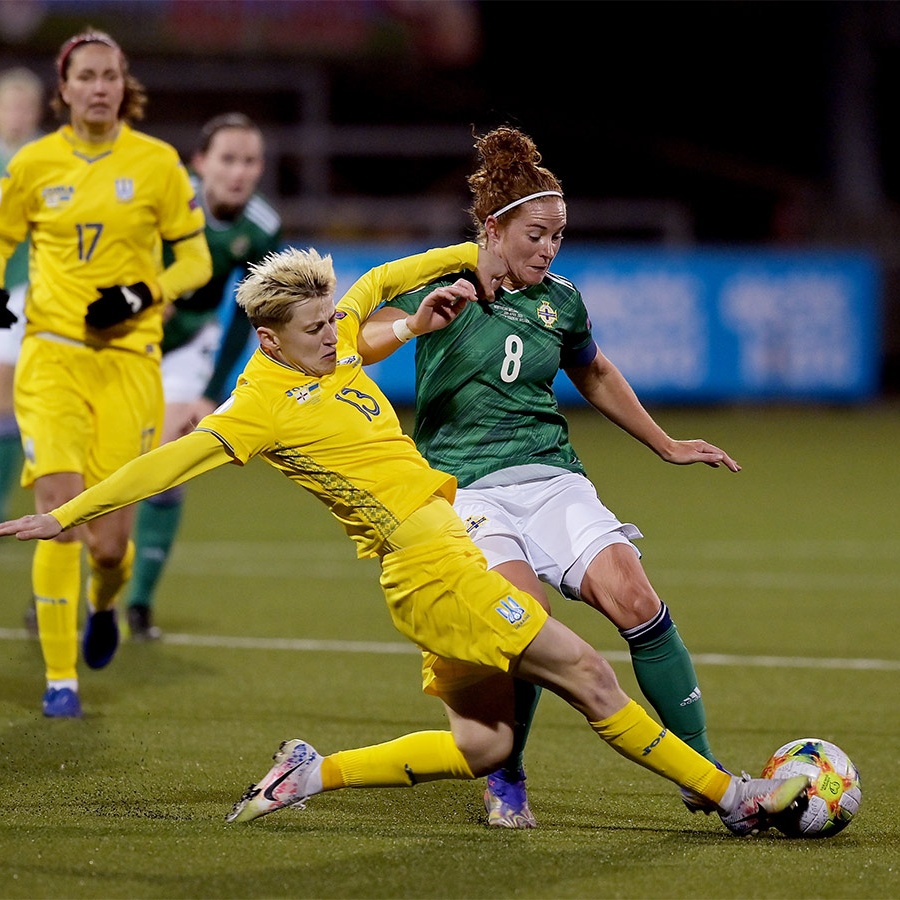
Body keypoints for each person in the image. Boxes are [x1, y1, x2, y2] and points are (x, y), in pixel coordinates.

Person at [0, 243, 810, 837]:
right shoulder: (258, 408)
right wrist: (65, 516)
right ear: (271, 340)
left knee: (483, 745)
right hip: (432, 570)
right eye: (314, 329)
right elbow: (166, 463)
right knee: (591, 676)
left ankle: (309, 774)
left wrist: (470, 257)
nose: (333, 336)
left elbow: (384, 280)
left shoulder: (334, 347)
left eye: (331, 320)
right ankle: (734, 797)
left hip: (438, 562)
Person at [361, 125, 740, 828]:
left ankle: (703, 771)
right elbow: (356, 338)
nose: (549, 249)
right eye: (536, 234)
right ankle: (506, 776)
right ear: (493, 229)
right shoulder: (440, 285)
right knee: (524, 625)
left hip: (551, 479)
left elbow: (593, 371)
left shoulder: (560, 301)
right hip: (465, 489)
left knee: (637, 600)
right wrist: (414, 326)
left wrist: (664, 444)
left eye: (558, 236)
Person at [0, 29, 212, 718]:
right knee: (58, 514)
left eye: (110, 76)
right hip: (51, 356)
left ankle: (105, 601)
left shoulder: (156, 164)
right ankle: (61, 680)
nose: (99, 87)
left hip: (128, 363)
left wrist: (143, 293)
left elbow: (195, 260)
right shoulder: (33, 163)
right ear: (63, 89)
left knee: (110, 543)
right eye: (86, 76)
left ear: (125, 87)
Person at [125, 112, 283, 641]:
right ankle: (66, 591)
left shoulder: (262, 225)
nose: (239, 172)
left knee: (169, 460)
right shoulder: (169, 196)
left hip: (188, 345)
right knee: (100, 460)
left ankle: (139, 603)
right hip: (125, 339)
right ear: (200, 163)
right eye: (228, 159)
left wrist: (211, 392)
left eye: (250, 161)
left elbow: (247, 312)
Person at [0, 67, 44, 522]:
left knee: (6, 392)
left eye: (24, 107)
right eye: (9, 106)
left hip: (21, 290)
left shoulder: (46, 160)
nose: (16, 115)